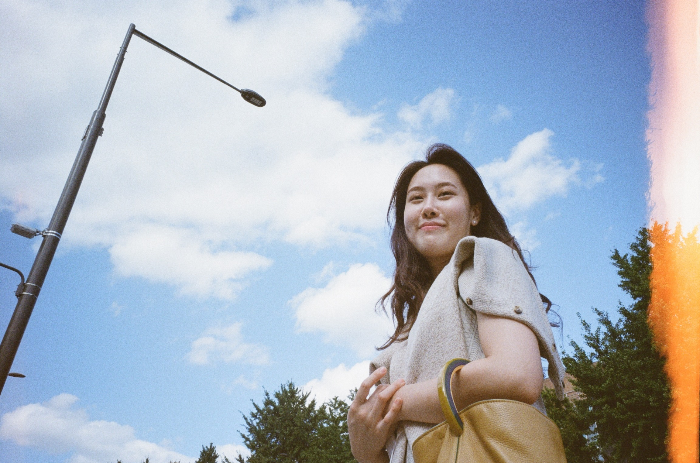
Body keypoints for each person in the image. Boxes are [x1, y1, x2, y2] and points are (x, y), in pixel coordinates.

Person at [347, 144, 566, 463]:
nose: (428, 208)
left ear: (474, 213)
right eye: (416, 199)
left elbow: (516, 374)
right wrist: (364, 448)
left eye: (445, 194)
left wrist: (391, 404)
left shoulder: (484, 256)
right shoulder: (407, 332)